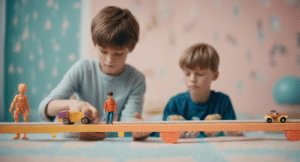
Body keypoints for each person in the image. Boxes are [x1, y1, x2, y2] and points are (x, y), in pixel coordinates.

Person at [38, 6, 149, 141]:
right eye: (103, 51)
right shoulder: (83, 69)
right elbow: (44, 108)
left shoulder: (136, 79)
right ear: (95, 43)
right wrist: (70, 105)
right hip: (76, 141)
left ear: (131, 47)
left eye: (118, 54)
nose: (109, 60)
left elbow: (127, 126)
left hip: (111, 144)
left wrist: (136, 128)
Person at [151, 43, 243, 138]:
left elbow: (234, 133)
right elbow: (161, 134)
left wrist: (228, 134)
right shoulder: (174, 103)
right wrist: (177, 135)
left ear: (215, 75)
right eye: (187, 74)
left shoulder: (223, 102)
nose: (192, 79)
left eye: (200, 74)